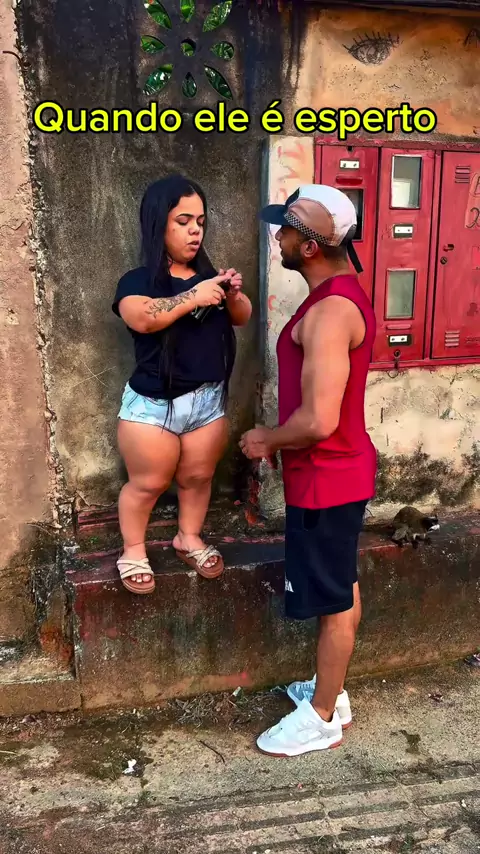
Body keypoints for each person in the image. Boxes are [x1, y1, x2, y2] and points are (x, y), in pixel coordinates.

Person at [240, 184, 377, 757]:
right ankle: (332, 692)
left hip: (327, 477)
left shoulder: (330, 312)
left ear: (313, 246)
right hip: (336, 474)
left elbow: (319, 420)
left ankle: (321, 717)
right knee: (340, 585)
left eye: (288, 228)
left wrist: (265, 438)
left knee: (333, 602)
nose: (278, 236)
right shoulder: (337, 297)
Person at [112, 174, 252, 595]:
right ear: (159, 224)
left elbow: (242, 316)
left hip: (207, 402)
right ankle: (133, 550)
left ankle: (187, 538)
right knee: (148, 483)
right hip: (153, 405)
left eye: (201, 222)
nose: (195, 231)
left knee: (198, 477)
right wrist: (195, 295)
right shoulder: (137, 280)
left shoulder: (206, 276)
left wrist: (231, 294)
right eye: (184, 221)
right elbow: (142, 317)